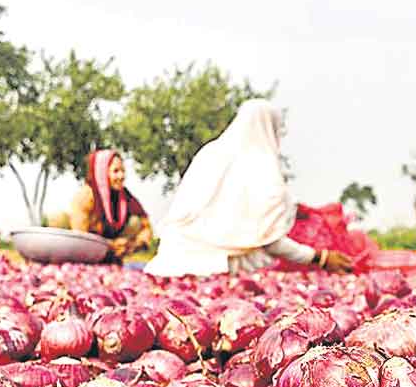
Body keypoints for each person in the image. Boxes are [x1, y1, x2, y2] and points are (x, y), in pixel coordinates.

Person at [145, 99, 352, 277]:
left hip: (168, 264)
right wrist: (320, 257)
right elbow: (269, 241)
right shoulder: (263, 167)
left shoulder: (210, 153)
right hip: (220, 269)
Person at [69, 149, 154, 260]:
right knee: (57, 219)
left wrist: (133, 244)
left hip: (116, 247)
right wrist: (110, 244)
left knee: (135, 221)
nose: (121, 176)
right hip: (89, 246)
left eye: (123, 171)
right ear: (102, 173)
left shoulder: (125, 197)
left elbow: (145, 225)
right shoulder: (87, 195)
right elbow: (80, 235)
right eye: (116, 171)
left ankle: (113, 258)